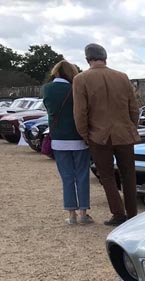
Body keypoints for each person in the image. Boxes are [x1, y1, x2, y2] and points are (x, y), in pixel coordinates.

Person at [72, 43, 141, 226]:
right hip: (125, 134)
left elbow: (80, 112)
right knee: (129, 175)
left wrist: (85, 134)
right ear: (105, 57)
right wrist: (131, 127)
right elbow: (133, 108)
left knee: (107, 177)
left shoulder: (81, 79)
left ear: (87, 59)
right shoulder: (122, 77)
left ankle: (118, 214)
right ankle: (133, 213)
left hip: (99, 135)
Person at [43, 60, 92, 225]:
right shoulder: (76, 88)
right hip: (79, 137)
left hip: (58, 138)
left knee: (67, 177)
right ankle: (83, 213)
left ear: (56, 72)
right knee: (82, 175)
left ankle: (71, 214)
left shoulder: (47, 89)